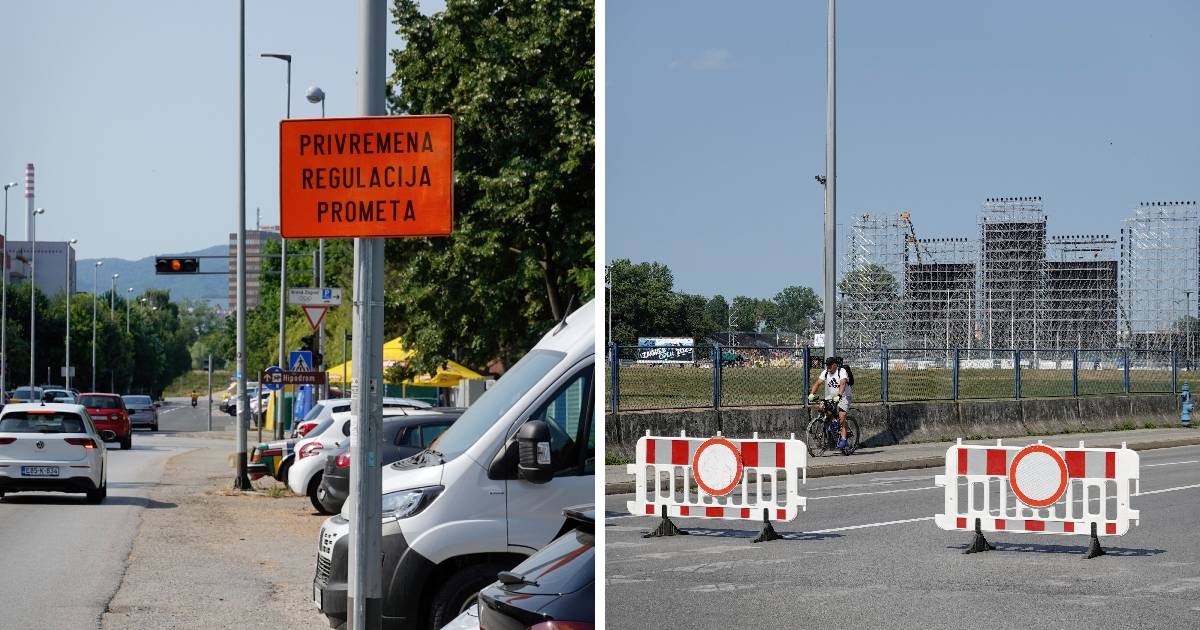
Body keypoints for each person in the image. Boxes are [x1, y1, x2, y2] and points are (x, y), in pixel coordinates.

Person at [807, 356, 852, 449]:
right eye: (827, 365)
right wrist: (812, 394)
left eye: (830, 365)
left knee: (842, 418)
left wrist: (839, 395)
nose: (828, 367)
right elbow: (818, 383)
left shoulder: (841, 371)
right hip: (832, 396)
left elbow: (843, 384)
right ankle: (833, 421)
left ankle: (843, 438)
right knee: (822, 406)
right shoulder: (826, 372)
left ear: (835, 365)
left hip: (844, 396)